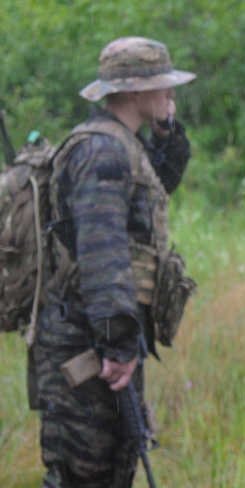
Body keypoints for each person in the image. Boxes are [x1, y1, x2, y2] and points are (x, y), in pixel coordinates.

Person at [32, 36, 196, 487]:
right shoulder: (102, 153)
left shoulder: (123, 145)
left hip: (102, 341)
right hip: (86, 346)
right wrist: (119, 344)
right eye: (161, 85)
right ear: (134, 92)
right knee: (86, 477)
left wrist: (166, 131)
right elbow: (102, 253)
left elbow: (157, 185)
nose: (170, 94)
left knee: (113, 470)